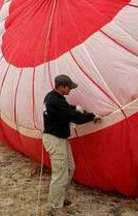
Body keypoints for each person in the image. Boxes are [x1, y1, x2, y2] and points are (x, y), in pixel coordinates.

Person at [43, 74, 102, 215]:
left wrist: (77, 108)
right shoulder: (54, 100)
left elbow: (68, 108)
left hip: (61, 138)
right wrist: (91, 116)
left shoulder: (55, 97)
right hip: (54, 139)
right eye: (69, 87)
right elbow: (73, 117)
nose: (70, 90)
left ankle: (60, 198)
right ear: (61, 87)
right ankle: (54, 206)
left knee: (70, 168)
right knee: (60, 173)